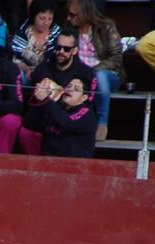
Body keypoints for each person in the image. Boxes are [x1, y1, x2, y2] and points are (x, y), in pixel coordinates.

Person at [19, 30, 97, 153]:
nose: (61, 51)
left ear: (75, 51)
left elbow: (69, 121)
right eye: (58, 47)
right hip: (49, 118)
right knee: (26, 132)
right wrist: (42, 99)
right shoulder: (43, 69)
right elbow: (29, 121)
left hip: (74, 152)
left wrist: (48, 100)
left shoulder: (85, 74)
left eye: (66, 49)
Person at [65, 0, 123, 141]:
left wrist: (94, 70)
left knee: (100, 76)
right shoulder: (69, 28)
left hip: (107, 74)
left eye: (72, 15)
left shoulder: (106, 26)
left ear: (84, 14)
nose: (68, 18)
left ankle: (102, 123)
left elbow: (116, 57)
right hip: (80, 74)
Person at [23, 75, 97, 156]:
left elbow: (67, 122)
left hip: (75, 162)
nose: (70, 89)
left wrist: (46, 100)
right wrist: (41, 101)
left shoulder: (86, 112)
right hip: (49, 160)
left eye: (76, 89)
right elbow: (28, 124)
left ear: (83, 97)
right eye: (69, 86)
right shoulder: (55, 106)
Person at [10, 0, 59, 79]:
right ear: (34, 16)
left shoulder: (56, 33)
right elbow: (16, 58)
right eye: (42, 18)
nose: (46, 23)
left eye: (50, 19)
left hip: (52, 74)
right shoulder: (22, 32)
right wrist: (25, 69)